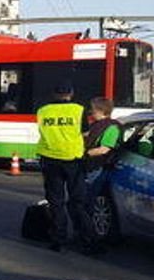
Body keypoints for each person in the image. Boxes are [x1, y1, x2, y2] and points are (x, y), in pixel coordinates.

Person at [36, 83, 102, 254]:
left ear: (53, 94)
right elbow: (86, 135)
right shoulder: (78, 110)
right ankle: (88, 240)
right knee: (78, 202)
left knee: (55, 202)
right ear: (71, 94)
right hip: (73, 160)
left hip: (49, 159)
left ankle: (58, 239)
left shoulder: (43, 111)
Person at [84, 97, 122, 197]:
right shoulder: (96, 124)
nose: (91, 112)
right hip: (91, 166)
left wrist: (84, 154)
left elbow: (104, 149)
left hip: (100, 167)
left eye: (93, 109)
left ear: (100, 111)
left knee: (90, 197)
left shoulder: (112, 128)